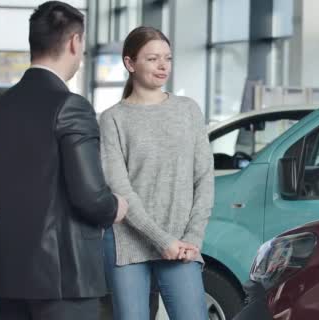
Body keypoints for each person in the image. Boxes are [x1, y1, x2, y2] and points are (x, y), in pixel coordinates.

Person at [0, 2, 127, 319]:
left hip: (10, 273)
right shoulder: (71, 106)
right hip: (64, 278)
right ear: (74, 42)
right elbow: (90, 197)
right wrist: (116, 206)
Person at [100, 26, 214, 320]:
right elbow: (120, 189)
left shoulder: (188, 110)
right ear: (130, 63)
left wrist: (193, 238)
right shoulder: (113, 118)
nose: (163, 66)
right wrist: (163, 241)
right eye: (152, 59)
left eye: (168, 58)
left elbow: (204, 179)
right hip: (129, 244)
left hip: (183, 245)